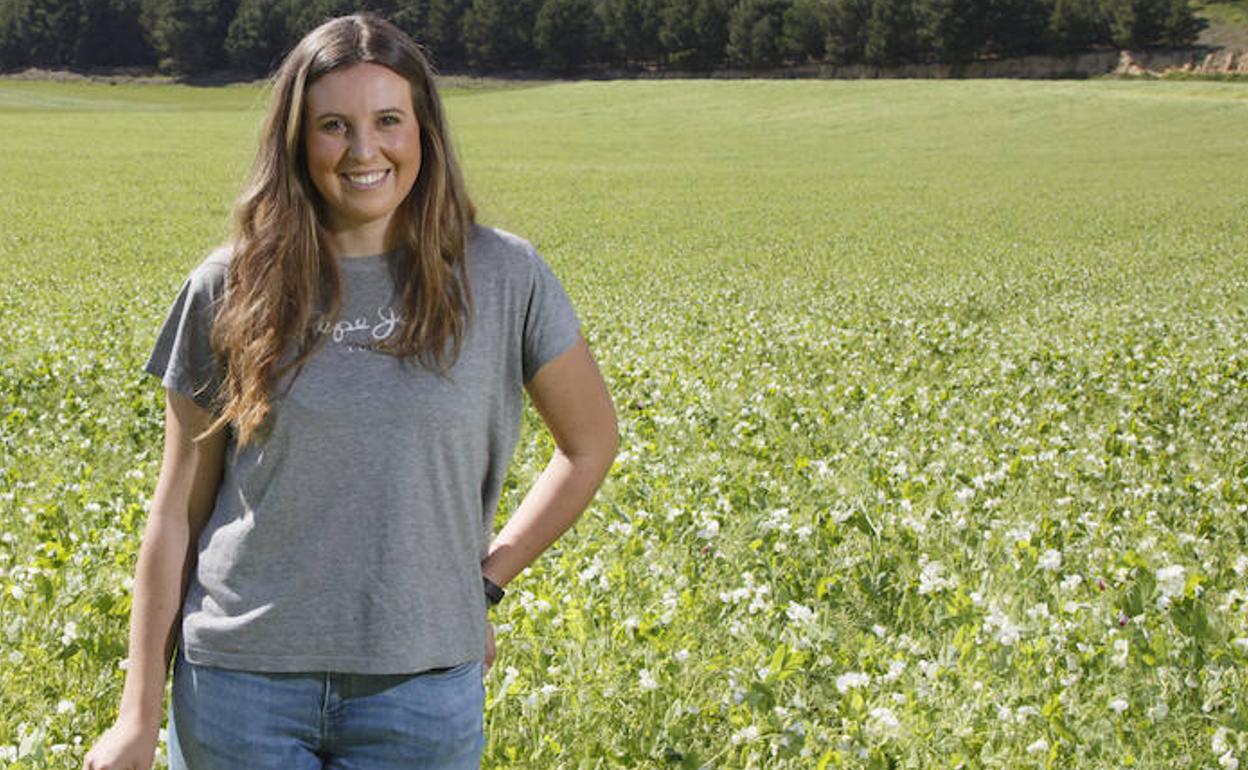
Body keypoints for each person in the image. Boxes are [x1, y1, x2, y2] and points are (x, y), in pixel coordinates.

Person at [82, 12, 617, 770]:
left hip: (421, 691)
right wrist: (137, 716)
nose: (364, 150)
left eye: (388, 121)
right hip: (241, 688)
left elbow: (590, 444)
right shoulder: (227, 286)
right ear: (298, 141)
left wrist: (484, 584)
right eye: (334, 125)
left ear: (423, 130)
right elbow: (176, 511)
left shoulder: (504, 276)